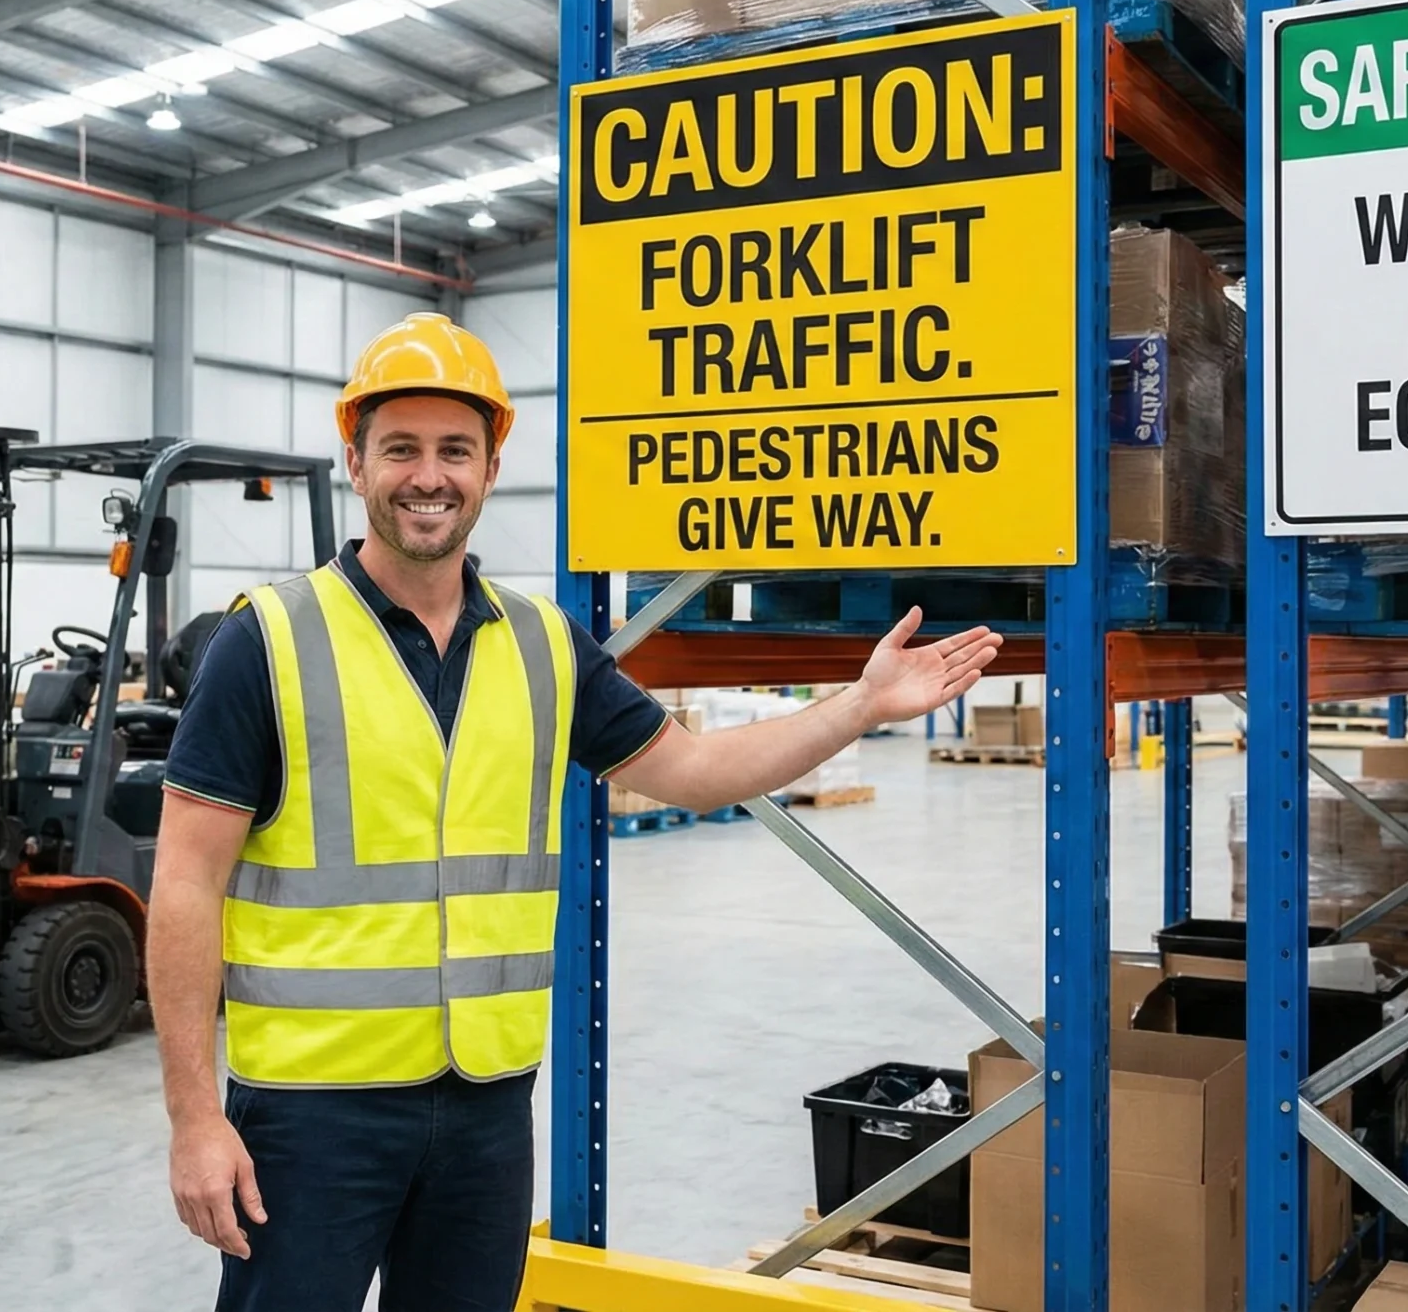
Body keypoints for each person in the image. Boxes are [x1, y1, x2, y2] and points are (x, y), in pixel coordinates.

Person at [146, 312, 1003, 1312]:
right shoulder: (270, 642)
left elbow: (694, 771)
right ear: (355, 461)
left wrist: (857, 705)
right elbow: (184, 883)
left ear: (491, 465)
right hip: (309, 1117)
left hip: (485, 1111)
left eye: (455, 450)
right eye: (402, 449)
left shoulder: (544, 645)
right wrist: (195, 1119)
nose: (430, 475)